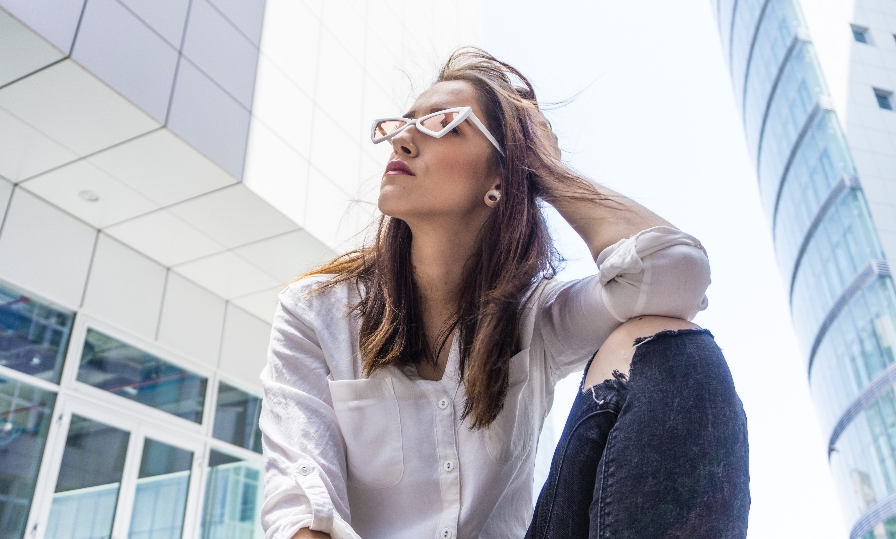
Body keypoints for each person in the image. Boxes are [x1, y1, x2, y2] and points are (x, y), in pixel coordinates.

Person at [259, 48, 750, 539]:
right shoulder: (316, 311)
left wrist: (548, 174)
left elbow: (674, 275)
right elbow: (299, 514)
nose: (403, 140)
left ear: (500, 177)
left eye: (443, 125)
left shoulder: (535, 319)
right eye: (403, 125)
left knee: (665, 340)